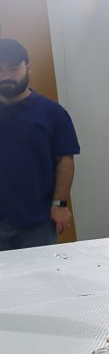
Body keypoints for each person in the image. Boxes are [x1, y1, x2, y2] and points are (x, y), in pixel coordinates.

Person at [0, 38, 80, 250]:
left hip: (37, 222)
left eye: (12, 68)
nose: (5, 76)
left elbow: (65, 159)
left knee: (43, 271)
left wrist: (60, 204)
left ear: (28, 67)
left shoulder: (53, 113)